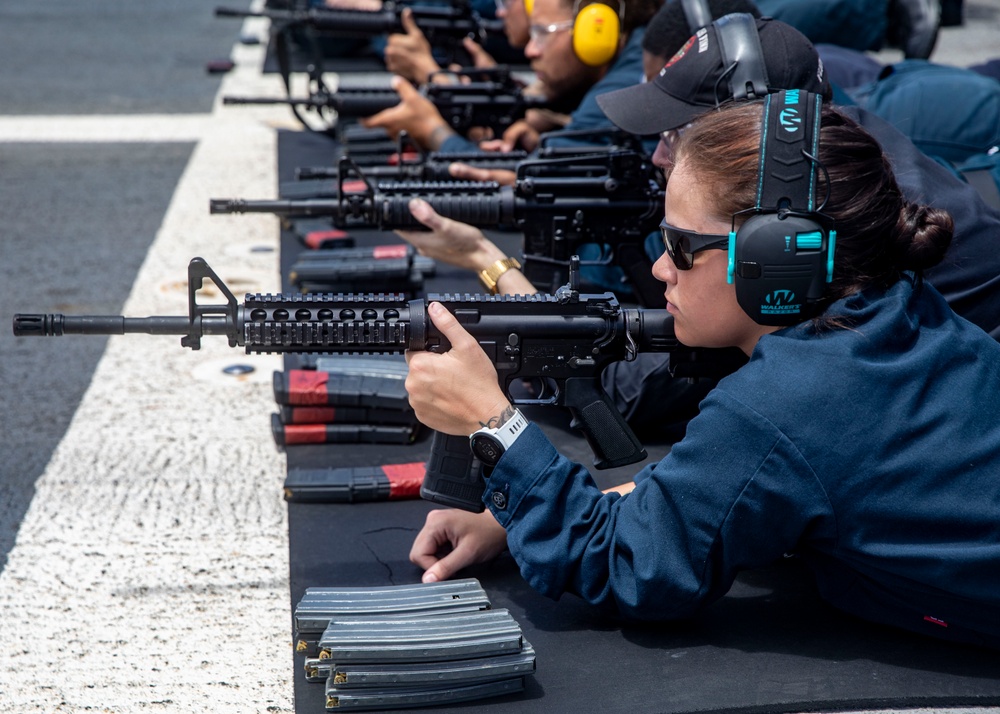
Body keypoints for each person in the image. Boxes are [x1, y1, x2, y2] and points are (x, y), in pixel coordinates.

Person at [404, 93, 1000, 650]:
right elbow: (727, 486)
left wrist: (493, 424)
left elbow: (627, 566)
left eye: (681, 247)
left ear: (776, 259)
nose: (661, 267)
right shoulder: (892, 307)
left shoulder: (791, 395)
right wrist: (521, 510)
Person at [359, 0, 662, 154]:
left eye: (542, 32)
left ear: (597, 32)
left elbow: (537, 184)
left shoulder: (623, 89)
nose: (530, 50)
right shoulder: (636, 55)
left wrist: (434, 131)